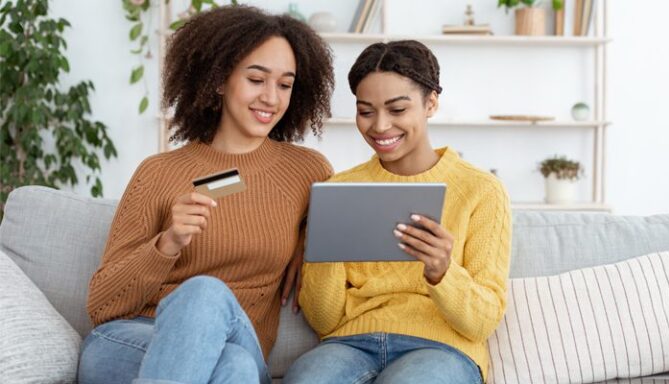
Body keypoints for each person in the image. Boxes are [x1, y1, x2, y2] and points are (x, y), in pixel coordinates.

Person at [78, 5, 334, 384]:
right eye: (256, 79)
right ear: (218, 80)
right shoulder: (159, 172)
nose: (271, 97)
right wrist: (167, 243)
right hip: (131, 340)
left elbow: (343, 224)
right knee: (220, 333)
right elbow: (102, 304)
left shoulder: (307, 172)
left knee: (234, 355)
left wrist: (308, 236)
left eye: (284, 84)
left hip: (239, 342)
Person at [284, 40, 511, 384]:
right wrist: (324, 247)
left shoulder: (481, 191)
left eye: (397, 109)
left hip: (440, 349)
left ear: (430, 103)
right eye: (366, 111)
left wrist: (442, 271)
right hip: (349, 343)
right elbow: (323, 320)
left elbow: (482, 322)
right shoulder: (339, 189)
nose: (380, 126)